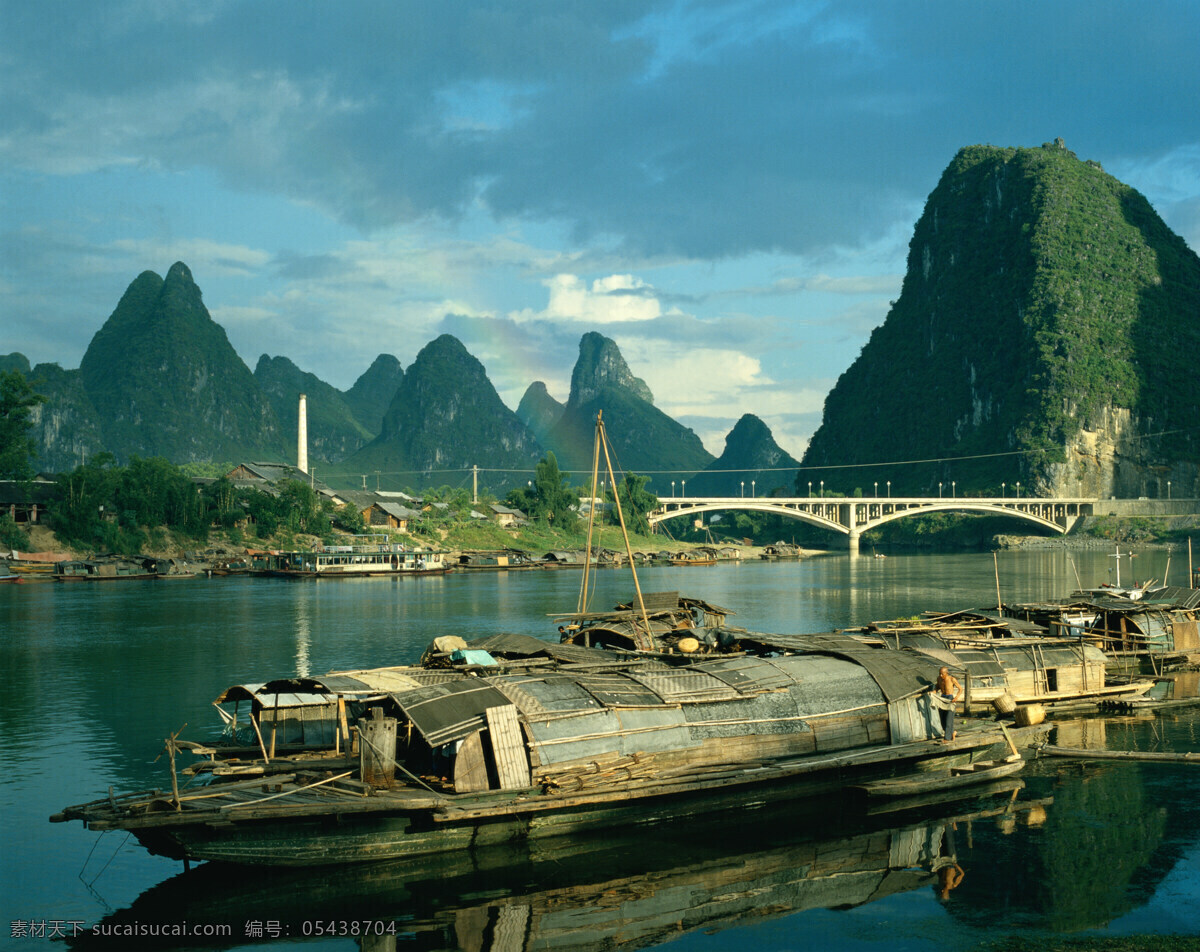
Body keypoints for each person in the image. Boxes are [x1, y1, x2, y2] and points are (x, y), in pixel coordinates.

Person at [935, 666, 962, 742]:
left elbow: (960, 689)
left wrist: (956, 697)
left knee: (948, 719)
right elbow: (937, 687)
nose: (941, 675)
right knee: (941, 719)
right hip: (942, 698)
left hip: (950, 698)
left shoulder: (951, 679)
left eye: (942, 674)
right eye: (939, 673)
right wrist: (933, 692)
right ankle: (952, 732)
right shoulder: (939, 679)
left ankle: (947, 738)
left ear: (946, 673)